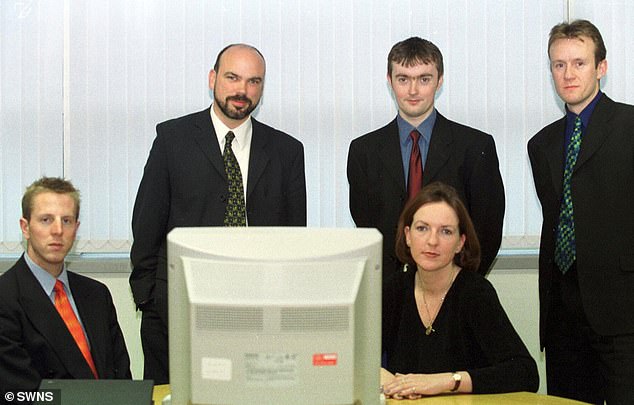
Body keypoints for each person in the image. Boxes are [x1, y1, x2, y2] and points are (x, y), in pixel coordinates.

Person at [130, 43, 307, 384]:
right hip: (177, 313)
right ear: (212, 79)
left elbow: (293, 240)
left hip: (260, 318)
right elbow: (147, 223)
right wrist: (149, 299)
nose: (242, 90)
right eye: (232, 77)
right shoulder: (172, 139)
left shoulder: (287, 152)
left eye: (254, 81)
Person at [347, 36, 505, 343]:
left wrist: (456, 287)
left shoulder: (475, 147)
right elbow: (368, 227)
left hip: (457, 299)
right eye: (403, 79)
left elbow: (487, 229)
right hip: (389, 303)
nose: (413, 90)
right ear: (389, 80)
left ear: (440, 81)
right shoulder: (364, 151)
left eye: (424, 79)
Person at [528, 20, 634, 405]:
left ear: (601, 67)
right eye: (559, 65)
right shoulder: (541, 144)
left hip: (623, 316)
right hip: (563, 319)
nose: (568, 74)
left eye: (579, 63)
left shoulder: (629, 126)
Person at [381, 182, 537, 399]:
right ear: (407, 236)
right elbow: (353, 355)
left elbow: (525, 373)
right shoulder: (394, 289)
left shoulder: (475, 293)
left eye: (445, 231)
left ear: (460, 243)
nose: (432, 241)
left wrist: (447, 381)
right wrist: (390, 381)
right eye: (422, 228)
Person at [0, 177, 131, 392]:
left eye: (67, 221)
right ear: (25, 227)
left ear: (76, 228)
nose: (58, 230)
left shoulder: (97, 295)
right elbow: (19, 394)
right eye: (46, 220)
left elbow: (123, 381)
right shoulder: (5, 298)